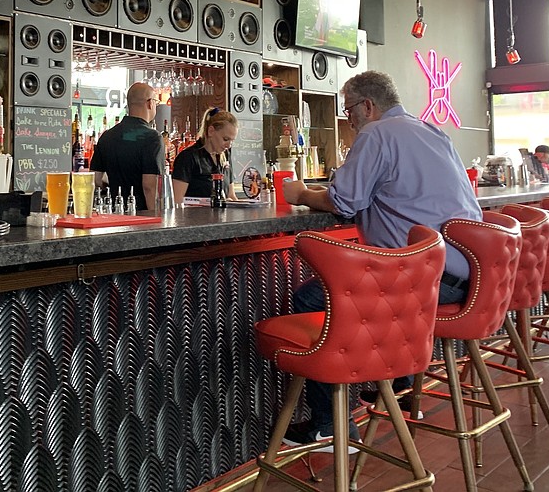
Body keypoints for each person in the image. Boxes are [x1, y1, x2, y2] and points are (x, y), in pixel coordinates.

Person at [280, 70, 480, 449]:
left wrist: (302, 193)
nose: (348, 118)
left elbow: (344, 202)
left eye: (349, 109)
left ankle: (328, 425)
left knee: (311, 300)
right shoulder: (432, 130)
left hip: (422, 280)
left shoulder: (375, 133)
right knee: (367, 285)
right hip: (463, 275)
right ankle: (401, 385)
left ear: (368, 106)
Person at [89, 82, 164, 211]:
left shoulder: (107, 136)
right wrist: (156, 218)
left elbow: (95, 179)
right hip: (140, 215)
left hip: (112, 214)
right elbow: (149, 186)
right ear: (150, 103)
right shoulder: (152, 137)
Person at [172, 107, 240, 203]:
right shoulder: (188, 157)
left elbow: (231, 196)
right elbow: (177, 201)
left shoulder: (225, 156)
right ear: (211, 131)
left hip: (223, 217)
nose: (229, 145)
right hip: (195, 217)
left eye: (232, 141)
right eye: (225, 139)